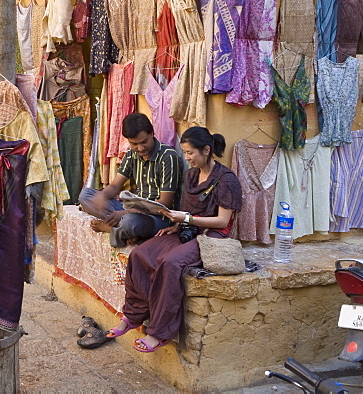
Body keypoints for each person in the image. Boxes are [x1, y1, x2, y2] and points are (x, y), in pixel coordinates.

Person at [104, 126, 242, 353]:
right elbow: (187, 210)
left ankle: (159, 332)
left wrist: (186, 218)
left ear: (206, 150)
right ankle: (133, 315)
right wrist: (176, 225)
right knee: (141, 254)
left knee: (170, 263)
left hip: (212, 237)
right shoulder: (191, 175)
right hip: (187, 229)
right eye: (185, 153)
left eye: (190, 153)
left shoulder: (226, 180)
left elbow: (222, 221)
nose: (186, 158)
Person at [79, 113, 182, 246]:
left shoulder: (168, 157)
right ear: (127, 140)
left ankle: (113, 230)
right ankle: (126, 230)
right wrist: (102, 197)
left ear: (152, 133)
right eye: (134, 144)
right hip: (132, 211)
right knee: (86, 195)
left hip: (158, 218)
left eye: (144, 142)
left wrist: (125, 212)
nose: (140, 148)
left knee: (130, 222)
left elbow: (164, 204)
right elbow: (115, 186)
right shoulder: (131, 155)